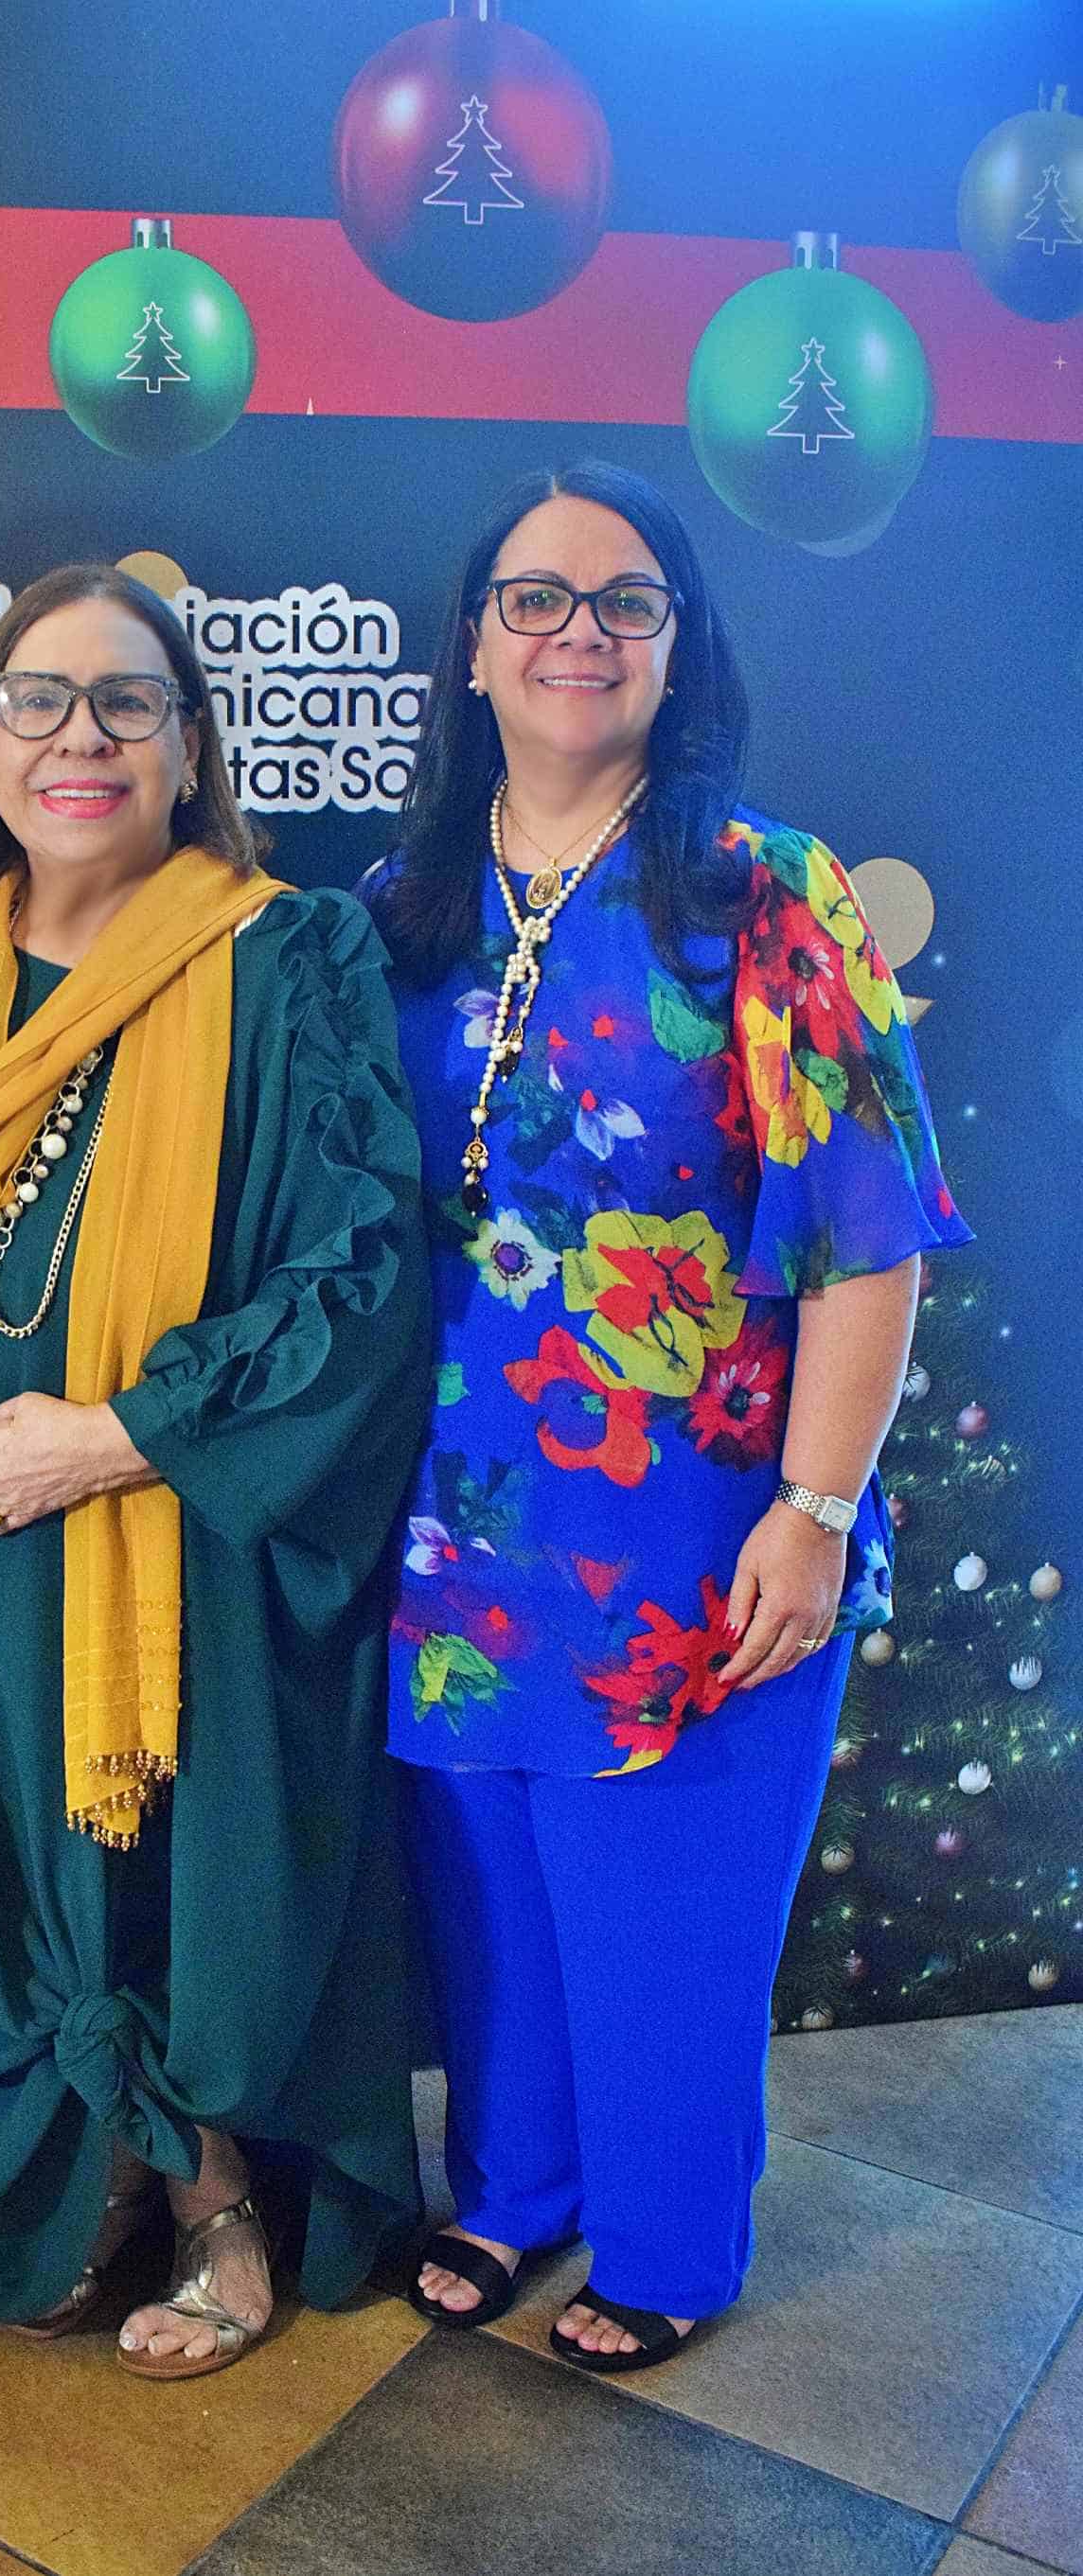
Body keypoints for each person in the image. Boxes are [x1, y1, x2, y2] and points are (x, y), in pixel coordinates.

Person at [363, 463, 969, 2373]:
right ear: (471, 644)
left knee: (663, 1909)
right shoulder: (396, 907)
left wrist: (816, 1501)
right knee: (484, 1892)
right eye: (533, 598)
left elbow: (871, 1233)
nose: (576, 635)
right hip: (453, 1520)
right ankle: (513, 2188)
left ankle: (665, 2239)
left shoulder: (758, 892)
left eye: (624, 601)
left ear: (675, 644)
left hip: (705, 1520)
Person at [0, 564, 430, 2377]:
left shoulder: (286, 958)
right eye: (38, 699)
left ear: (189, 745)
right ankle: (84, 2156)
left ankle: (220, 2200)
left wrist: (113, 1438)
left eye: (127, 702)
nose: (78, 736)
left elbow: (358, 1263)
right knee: (5, 1844)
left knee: (177, 1844)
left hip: (177, 1530)